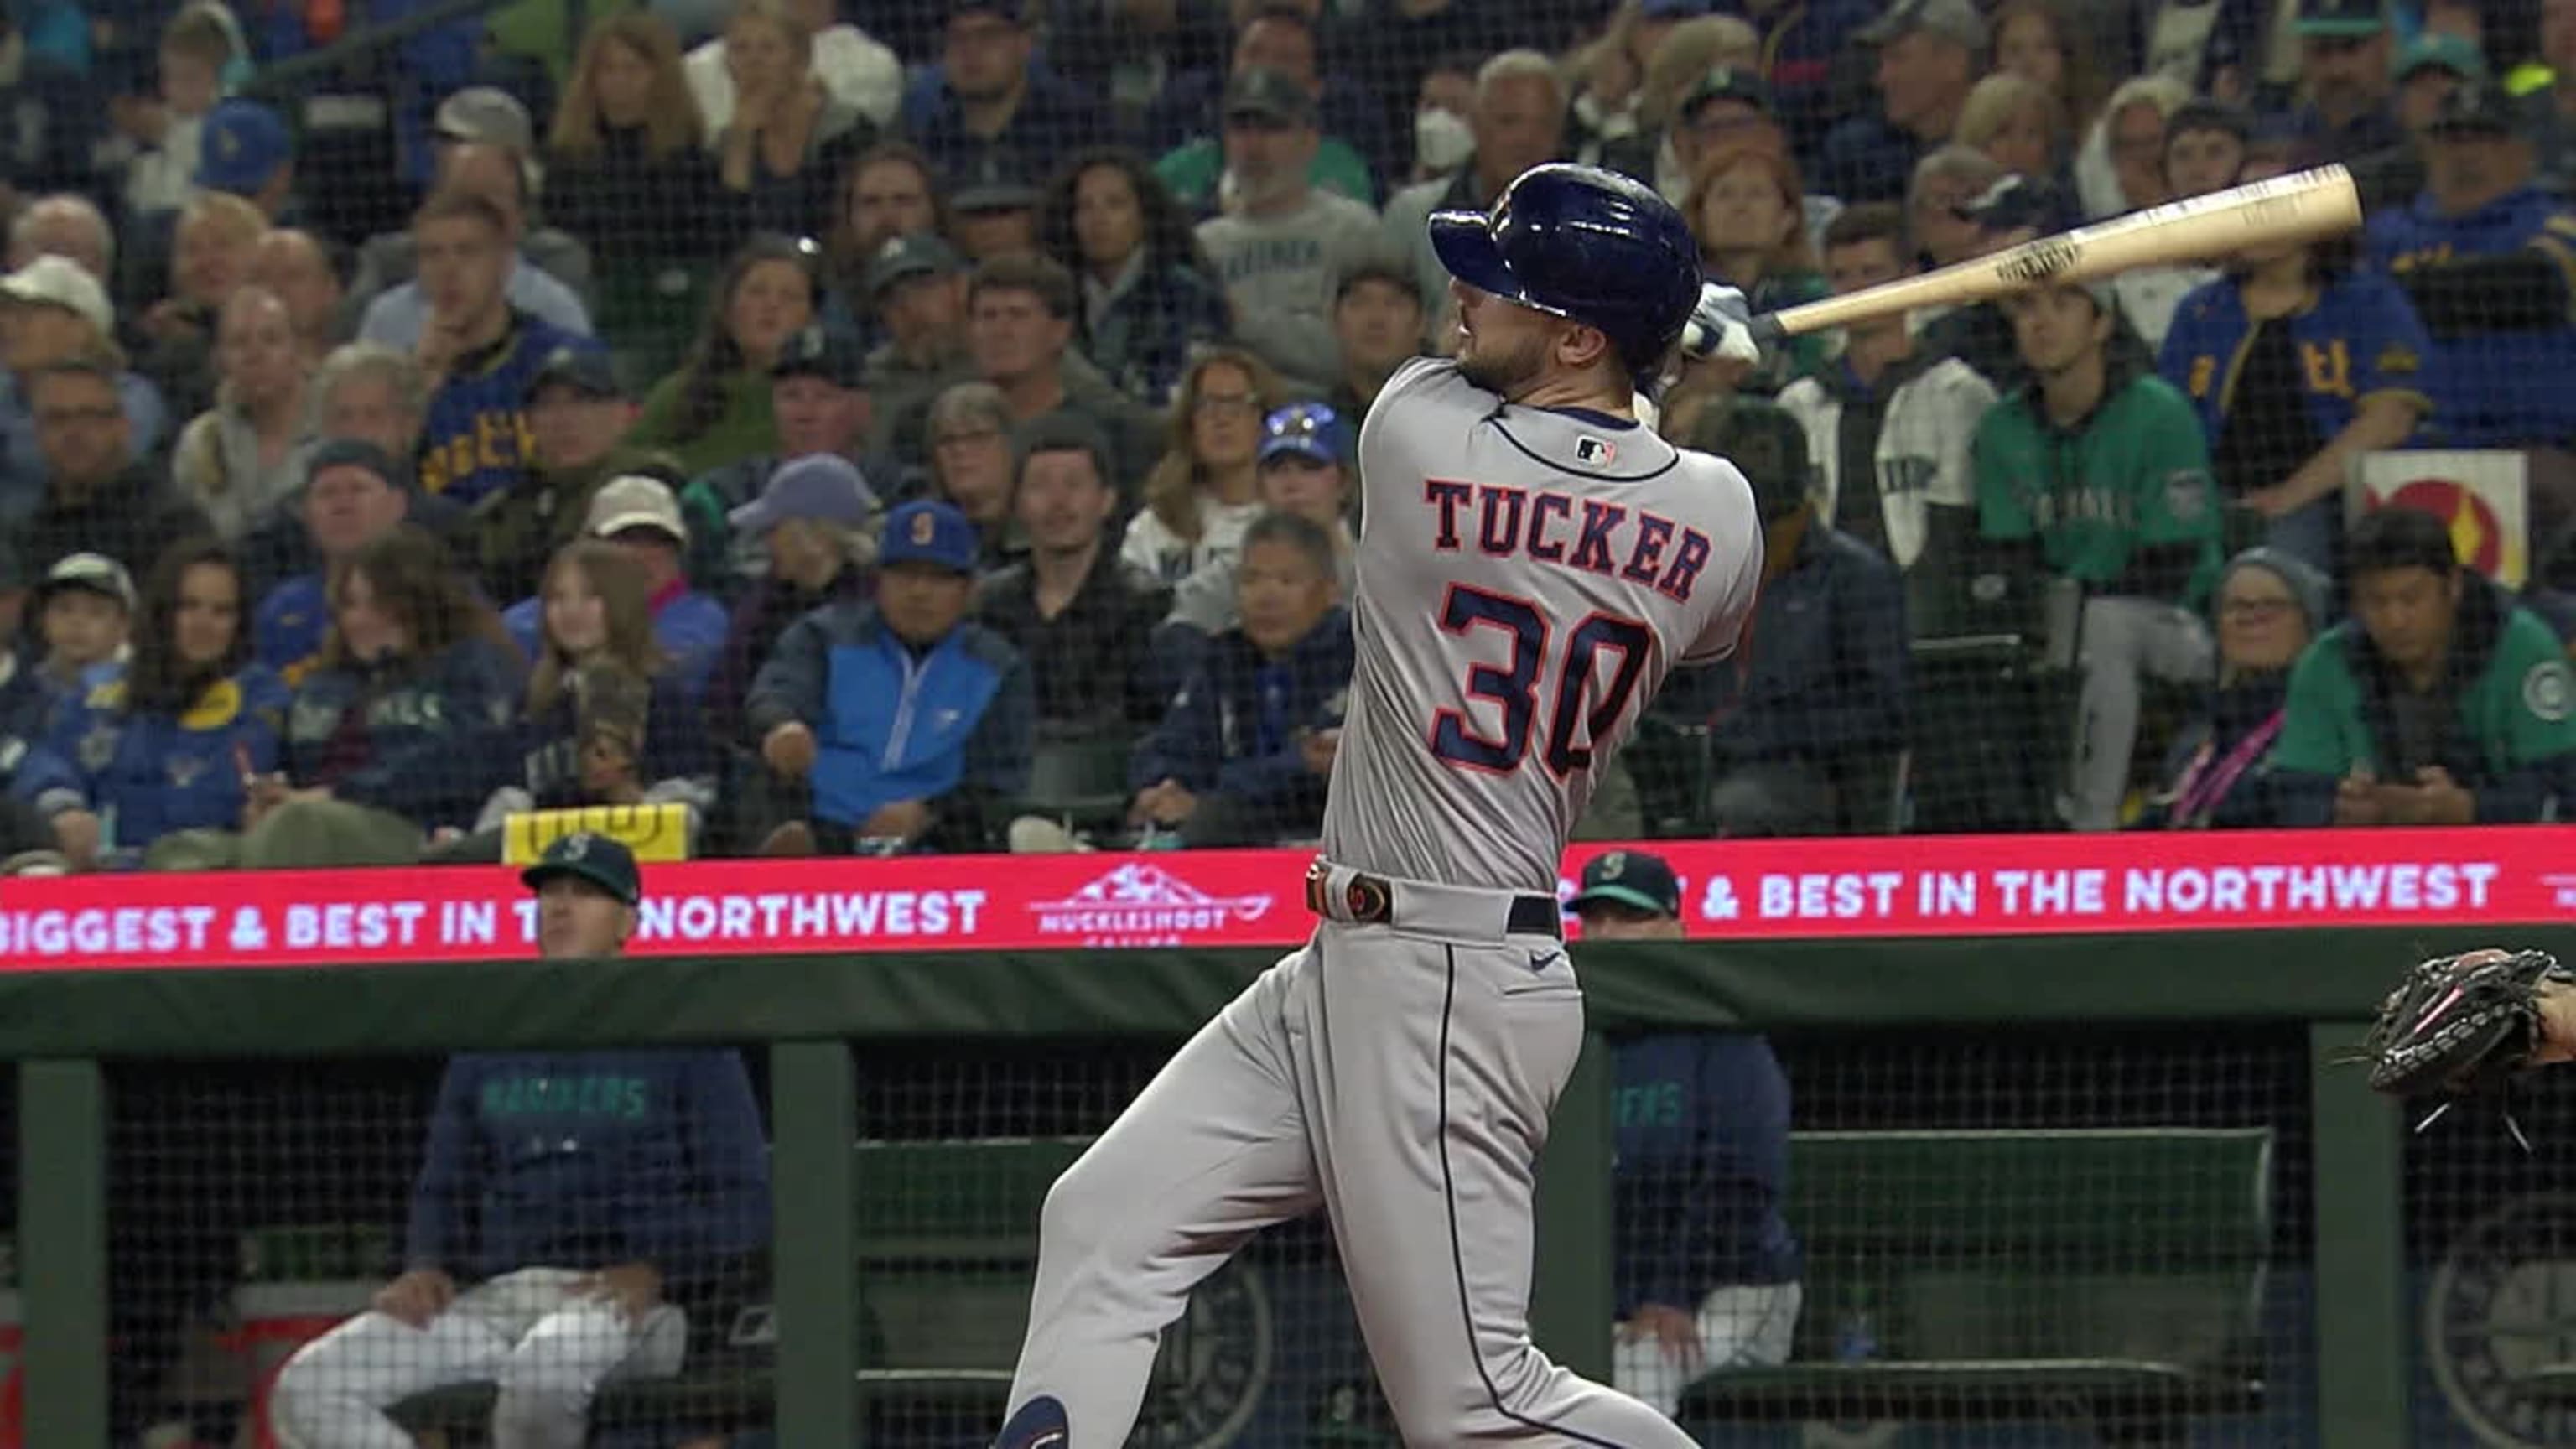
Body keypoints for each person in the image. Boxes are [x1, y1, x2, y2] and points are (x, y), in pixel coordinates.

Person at [993, 162, 1761, 1449]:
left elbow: (1503, 404)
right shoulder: (1721, 511)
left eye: (1506, 286)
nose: (1466, 293)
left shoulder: (1415, 433)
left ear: (1578, 334)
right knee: (1103, 1223)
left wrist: (1670, 352)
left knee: (1475, 1410)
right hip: (1361, 963)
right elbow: (1697, 605)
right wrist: (1669, 372)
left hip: (1446, 980)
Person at [270, 831, 770, 1449]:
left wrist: (658, 1269)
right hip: (495, 1301)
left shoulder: (686, 1037)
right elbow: (444, 1183)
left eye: (585, 893)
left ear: (628, 921)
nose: (560, 906)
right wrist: (425, 1263)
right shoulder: (492, 1038)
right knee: (310, 1384)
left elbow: (745, 1201)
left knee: (543, 1373)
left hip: (626, 1306)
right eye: (550, 892)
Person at [1567, 849, 1801, 1419]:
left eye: (1630, 918)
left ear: (1678, 928)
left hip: (1733, 1291)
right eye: (1594, 919)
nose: (1606, 934)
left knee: (1630, 1375)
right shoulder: (1559, 1033)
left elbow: (1742, 1183)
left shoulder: (1722, 1035)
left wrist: (1675, 1291)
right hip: (1598, 1301)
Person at [2270, 504, 2576, 826]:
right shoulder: (2325, 663)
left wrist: (2469, 809)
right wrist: (2338, 814)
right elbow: (2295, 794)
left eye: (2411, 599)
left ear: (2454, 586)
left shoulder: (2524, 647)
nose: (2395, 620)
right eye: (2376, 602)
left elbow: (2560, 787)